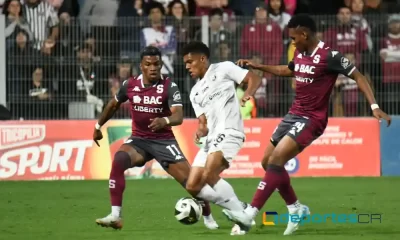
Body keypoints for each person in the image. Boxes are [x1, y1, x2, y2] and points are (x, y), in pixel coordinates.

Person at [223, 14, 392, 236]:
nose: (292, 42)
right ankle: (296, 208)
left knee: (275, 160)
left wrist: (374, 107)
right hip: (293, 115)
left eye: (294, 38)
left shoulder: (330, 56)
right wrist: (258, 66)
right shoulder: (301, 52)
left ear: (304, 34)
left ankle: (250, 213)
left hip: (312, 119)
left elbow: (358, 77)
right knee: (267, 162)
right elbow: (289, 70)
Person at [93, 46, 219, 230]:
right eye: (148, 64)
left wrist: (165, 120)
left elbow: (179, 116)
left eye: (156, 64)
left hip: (164, 142)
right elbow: (113, 104)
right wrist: (98, 126)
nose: (153, 68)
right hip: (139, 141)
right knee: (119, 159)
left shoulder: (169, 86)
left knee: (191, 183)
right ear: (141, 66)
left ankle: (209, 218)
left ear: (161, 65)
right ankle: (115, 216)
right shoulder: (130, 85)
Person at [182, 41, 262, 232]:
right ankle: (238, 207)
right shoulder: (195, 92)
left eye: (190, 62)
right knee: (192, 185)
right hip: (211, 139)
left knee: (210, 174)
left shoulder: (224, 68)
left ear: (202, 59)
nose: (187, 67)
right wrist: (200, 130)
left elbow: (254, 78)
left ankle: (243, 219)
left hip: (230, 130)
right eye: (185, 63)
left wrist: (248, 94)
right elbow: (203, 123)